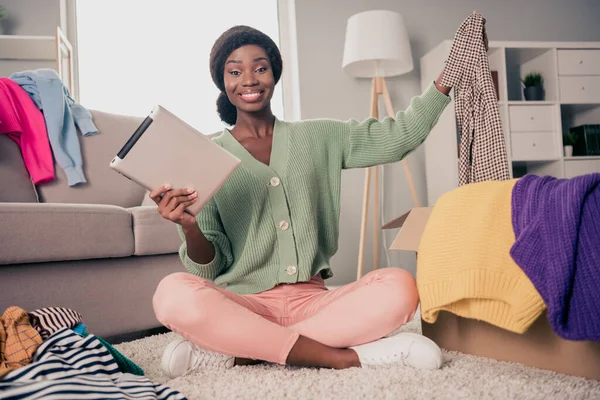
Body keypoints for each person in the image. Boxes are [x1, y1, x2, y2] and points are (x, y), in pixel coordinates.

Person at [150, 20, 483, 378]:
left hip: (315, 302)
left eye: (260, 68)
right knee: (171, 293)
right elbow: (210, 268)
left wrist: (446, 78)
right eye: (235, 71)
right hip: (244, 303)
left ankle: (239, 352)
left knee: (400, 287)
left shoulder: (319, 136)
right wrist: (190, 227)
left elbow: (398, 137)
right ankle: (346, 357)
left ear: (274, 75)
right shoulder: (207, 159)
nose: (249, 79)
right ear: (223, 82)